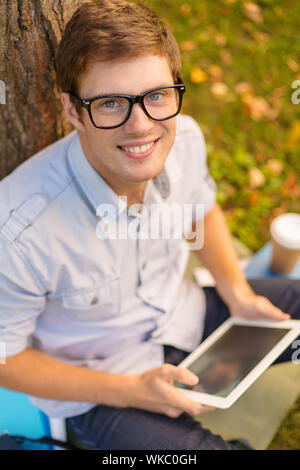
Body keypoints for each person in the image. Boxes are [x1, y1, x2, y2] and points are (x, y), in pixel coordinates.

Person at [0, 0, 299, 451]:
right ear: (72, 111)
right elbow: (5, 359)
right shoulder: (17, 231)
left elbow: (201, 207)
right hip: (103, 382)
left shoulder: (186, 139)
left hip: (185, 317)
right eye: (110, 103)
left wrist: (238, 294)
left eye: (156, 96)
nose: (141, 127)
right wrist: (129, 390)